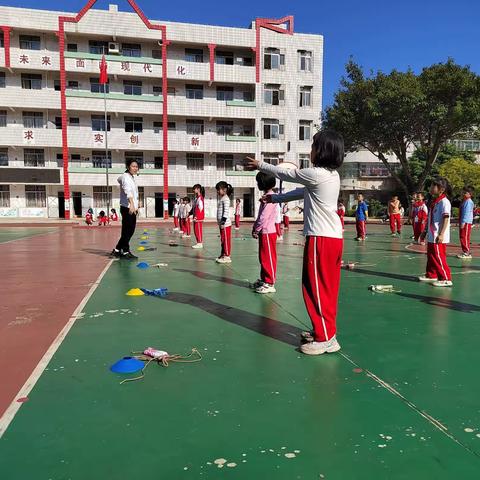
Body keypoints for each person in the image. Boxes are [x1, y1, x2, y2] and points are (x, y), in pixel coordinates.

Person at [245, 129, 344, 356]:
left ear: (323, 151)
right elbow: (301, 191)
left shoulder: (317, 173)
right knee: (325, 289)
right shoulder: (330, 176)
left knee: (316, 288)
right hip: (331, 238)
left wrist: (261, 164)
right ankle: (325, 331)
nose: (311, 150)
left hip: (322, 238)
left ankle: (325, 338)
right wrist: (276, 198)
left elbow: (287, 175)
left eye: (313, 145)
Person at [418, 177, 452, 287]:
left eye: (433, 186)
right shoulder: (434, 202)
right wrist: (425, 231)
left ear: (441, 189)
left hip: (438, 235)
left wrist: (441, 234)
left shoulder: (444, 202)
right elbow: (430, 219)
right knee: (431, 256)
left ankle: (446, 278)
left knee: (438, 256)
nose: (431, 188)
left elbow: (446, 218)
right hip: (432, 234)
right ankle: (431, 275)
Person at [252, 172, 278, 294]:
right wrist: (256, 228)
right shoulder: (267, 196)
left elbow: (264, 217)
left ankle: (270, 282)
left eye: (258, 182)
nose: (257, 184)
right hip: (264, 231)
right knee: (263, 257)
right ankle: (264, 280)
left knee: (268, 257)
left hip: (267, 232)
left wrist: (256, 229)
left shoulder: (270, 198)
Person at [111, 158, 139, 259]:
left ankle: (118, 250)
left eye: (136, 166)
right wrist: (131, 204)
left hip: (131, 208)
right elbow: (128, 191)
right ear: (128, 167)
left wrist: (136, 206)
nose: (135, 168)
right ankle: (125, 251)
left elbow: (134, 193)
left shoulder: (130, 177)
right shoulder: (126, 177)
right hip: (127, 207)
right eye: (133, 166)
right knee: (128, 231)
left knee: (129, 230)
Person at [215, 181, 233, 264]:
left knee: (226, 240)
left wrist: (222, 222)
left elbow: (225, 212)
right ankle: (223, 254)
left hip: (225, 224)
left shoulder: (226, 199)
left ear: (224, 189)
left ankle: (227, 256)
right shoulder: (222, 198)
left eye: (219, 190)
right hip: (222, 224)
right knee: (222, 240)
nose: (217, 191)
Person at [458, 186, 475, 259]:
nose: (463, 194)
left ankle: (466, 252)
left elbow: (467, 213)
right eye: (463, 192)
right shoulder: (465, 201)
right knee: (463, 236)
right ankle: (465, 251)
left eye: (465, 193)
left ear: (470, 194)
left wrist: (463, 222)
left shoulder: (468, 201)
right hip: (464, 222)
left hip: (466, 222)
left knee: (464, 237)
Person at [192, 184, 205, 249]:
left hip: (198, 217)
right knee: (195, 230)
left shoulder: (200, 198)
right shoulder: (196, 198)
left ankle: (200, 243)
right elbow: (194, 208)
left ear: (198, 189)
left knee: (198, 230)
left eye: (194, 189)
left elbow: (200, 208)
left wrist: (197, 216)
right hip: (195, 217)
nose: (193, 190)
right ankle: (198, 242)